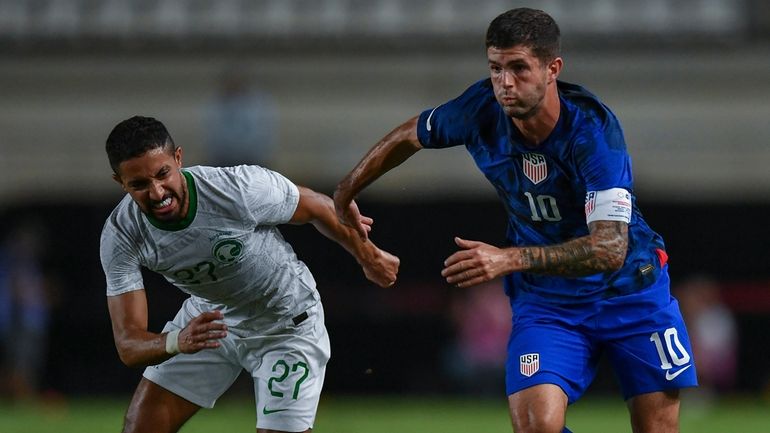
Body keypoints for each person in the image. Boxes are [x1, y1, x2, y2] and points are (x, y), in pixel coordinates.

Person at [334, 8, 697, 433]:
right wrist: (345, 193)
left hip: (630, 292)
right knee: (536, 427)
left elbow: (609, 249)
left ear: (552, 69)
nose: (505, 83)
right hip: (548, 302)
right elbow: (409, 135)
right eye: (496, 68)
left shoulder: (594, 134)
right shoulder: (479, 109)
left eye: (519, 68)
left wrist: (509, 259)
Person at [100, 116, 399, 433]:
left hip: (285, 321)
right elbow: (129, 345)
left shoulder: (235, 188)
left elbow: (316, 206)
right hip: (209, 323)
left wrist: (369, 256)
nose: (158, 192)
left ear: (178, 159)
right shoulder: (121, 234)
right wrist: (177, 340)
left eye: (163, 175)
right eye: (139, 185)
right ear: (120, 182)